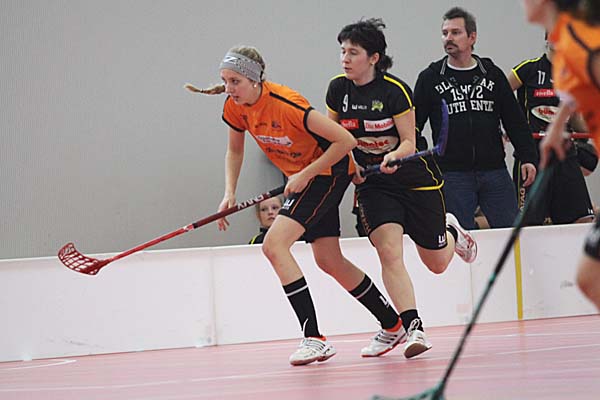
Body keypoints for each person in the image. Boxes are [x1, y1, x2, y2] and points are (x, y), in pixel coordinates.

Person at [185, 45, 404, 365]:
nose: (229, 89)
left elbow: (345, 141)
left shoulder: (287, 103)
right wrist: (229, 192)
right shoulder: (235, 107)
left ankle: (314, 338)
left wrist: (305, 173)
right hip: (305, 177)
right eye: (225, 81)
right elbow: (235, 150)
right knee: (329, 260)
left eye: (235, 82)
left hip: (327, 173)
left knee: (273, 245)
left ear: (254, 79)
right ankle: (392, 324)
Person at [326, 18, 478, 359]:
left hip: (414, 178)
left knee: (436, 263)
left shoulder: (395, 91)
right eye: (342, 51)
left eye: (353, 52)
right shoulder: (337, 90)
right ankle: (413, 327)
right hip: (374, 184)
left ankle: (452, 232)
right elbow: (335, 138)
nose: (345, 59)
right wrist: (349, 163)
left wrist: (394, 155)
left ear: (374, 58)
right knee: (389, 251)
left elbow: (409, 140)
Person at [414, 6, 539, 230]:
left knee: (511, 232)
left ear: (472, 37)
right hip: (452, 174)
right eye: (445, 33)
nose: (448, 38)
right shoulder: (430, 78)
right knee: (458, 236)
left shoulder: (491, 74)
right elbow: (413, 125)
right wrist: (426, 161)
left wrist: (528, 156)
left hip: (494, 171)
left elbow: (514, 121)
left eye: (455, 32)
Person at [521, 0, 600, 311]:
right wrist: (555, 129)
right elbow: (572, 93)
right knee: (588, 278)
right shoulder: (566, 50)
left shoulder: (584, 43)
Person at [508, 37, 595, 225]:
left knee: (583, 219)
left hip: (565, 153)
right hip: (532, 154)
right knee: (529, 223)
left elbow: (576, 119)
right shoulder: (528, 69)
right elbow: (499, 95)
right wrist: (507, 126)